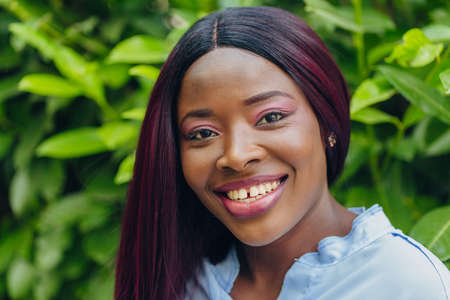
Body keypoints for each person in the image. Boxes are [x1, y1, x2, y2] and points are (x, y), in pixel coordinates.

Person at [114, 6, 450, 300]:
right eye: (203, 133)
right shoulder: (178, 280)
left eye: (271, 117)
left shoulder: (406, 285)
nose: (236, 155)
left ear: (327, 122)